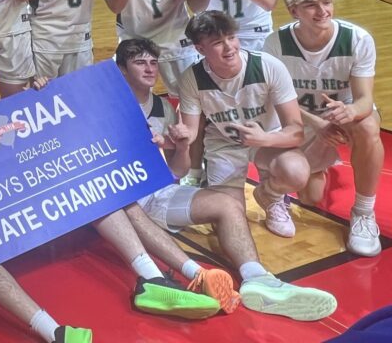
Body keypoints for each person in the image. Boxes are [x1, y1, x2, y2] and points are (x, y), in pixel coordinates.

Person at [0, 47, 221, 327]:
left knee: (98, 193)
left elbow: (29, 147)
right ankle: (52, 330)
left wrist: (39, 95)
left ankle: (157, 278)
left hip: (31, 200)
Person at [117, 38, 339, 321]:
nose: (149, 69)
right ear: (122, 70)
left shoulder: (164, 108)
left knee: (228, 205)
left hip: (157, 195)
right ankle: (182, 280)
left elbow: (178, 171)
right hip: (122, 203)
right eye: (139, 63)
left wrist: (182, 147)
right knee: (126, 206)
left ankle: (258, 279)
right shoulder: (109, 106)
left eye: (153, 63)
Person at [264, 0, 383, 256]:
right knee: (310, 198)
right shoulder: (275, 44)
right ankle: (318, 165)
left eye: (327, 2)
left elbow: (365, 99)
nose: (322, 11)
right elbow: (275, 99)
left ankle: (364, 213)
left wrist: (350, 110)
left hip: (345, 116)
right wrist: (317, 124)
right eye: (311, 5)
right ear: (293, 11)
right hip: (301, 118)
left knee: (366, 127)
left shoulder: (357, 39)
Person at [173, 11, 311, 240]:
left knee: (296, 172)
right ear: (200, 49)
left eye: (231, 37)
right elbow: (191, 132)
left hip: (268, 139)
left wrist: (263, 139)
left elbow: (296, 132)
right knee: (226, 217)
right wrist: (179, 135)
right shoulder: (191, 78)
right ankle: (208, 180)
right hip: (224, 145)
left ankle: (270, 196)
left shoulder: (268, 66)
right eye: (218, 42)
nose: (229, 47)